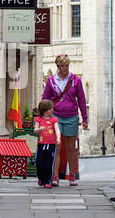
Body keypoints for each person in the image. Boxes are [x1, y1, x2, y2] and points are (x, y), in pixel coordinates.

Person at [41, 54, 87, 185]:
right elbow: (45, 99)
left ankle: (72, 174)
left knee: (71, 147)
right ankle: (55, 176)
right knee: (57, 145)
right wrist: (42, 117)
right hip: (55, 116)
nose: (65, 68)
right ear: (57, 66)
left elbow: (82, 99)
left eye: (66, 65)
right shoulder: (51, 81)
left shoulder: (75, 80)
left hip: (72, 115)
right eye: (62, 66)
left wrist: (84, 118)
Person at [33, 99, 60, 188]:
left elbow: (57, 129)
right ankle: (41, 178)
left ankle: (48, 181)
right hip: (41, 145)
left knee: (49, 163)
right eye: (50, 108)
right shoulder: (38, 119)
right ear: (45, 110)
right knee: (39, 162)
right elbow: (35, 130)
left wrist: (58, 138)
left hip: (51, 144)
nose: (52, 109)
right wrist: (40, 129)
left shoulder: (54, 120)